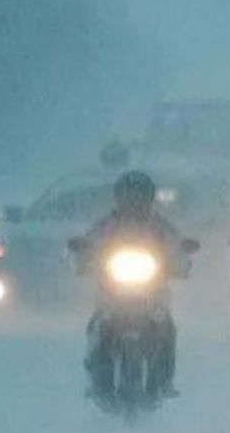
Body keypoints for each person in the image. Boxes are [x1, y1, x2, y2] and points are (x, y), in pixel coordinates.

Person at [76, 171, 188, 401]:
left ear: (149, 198)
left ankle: (165, 380)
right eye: (129, 196)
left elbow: (177, 246)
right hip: (112, 291)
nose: (134, 201)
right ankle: (97, 376)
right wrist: (84, 255)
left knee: (167, 328)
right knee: (98, 325)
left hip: (152, 292)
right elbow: (90, 243)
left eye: (139, 196)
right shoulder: (107, 224)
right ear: (119, 198)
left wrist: (180, 261)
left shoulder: (159, 226)